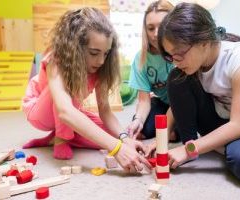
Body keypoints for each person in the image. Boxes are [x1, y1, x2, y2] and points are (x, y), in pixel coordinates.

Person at [156, 2, 240, 184]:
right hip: (215, 118)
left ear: (204, 41)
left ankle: (205, 146)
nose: (175, 61)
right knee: (176, 77)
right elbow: (178, 103)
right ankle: (198, 146)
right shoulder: (191, 66)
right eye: (170, 56)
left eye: (178, 54)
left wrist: (189, 148)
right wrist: (161, 140)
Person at [22, 7, 151, 173]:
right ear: (75, 47)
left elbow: (105, 111)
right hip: (39, 111)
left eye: (105, 53)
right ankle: (61, 138)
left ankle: (61, 136)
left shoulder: (100, 67)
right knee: (74, 106)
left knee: (109, 136)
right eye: (94, 53)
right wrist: (116, 149)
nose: (101, 61)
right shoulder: (56, 59)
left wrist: (124, 140)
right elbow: (65, 111)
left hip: (70, 109)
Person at [127, 0, 181, 142]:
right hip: (162, 102)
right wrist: (138, 120)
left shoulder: (183, 52)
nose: (156, 34)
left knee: (180, 131)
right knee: (142, 129)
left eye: (162, 26)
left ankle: (172, 132)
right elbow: (144, 101)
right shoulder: (141, 59)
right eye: (150, 28)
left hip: (185, 103)